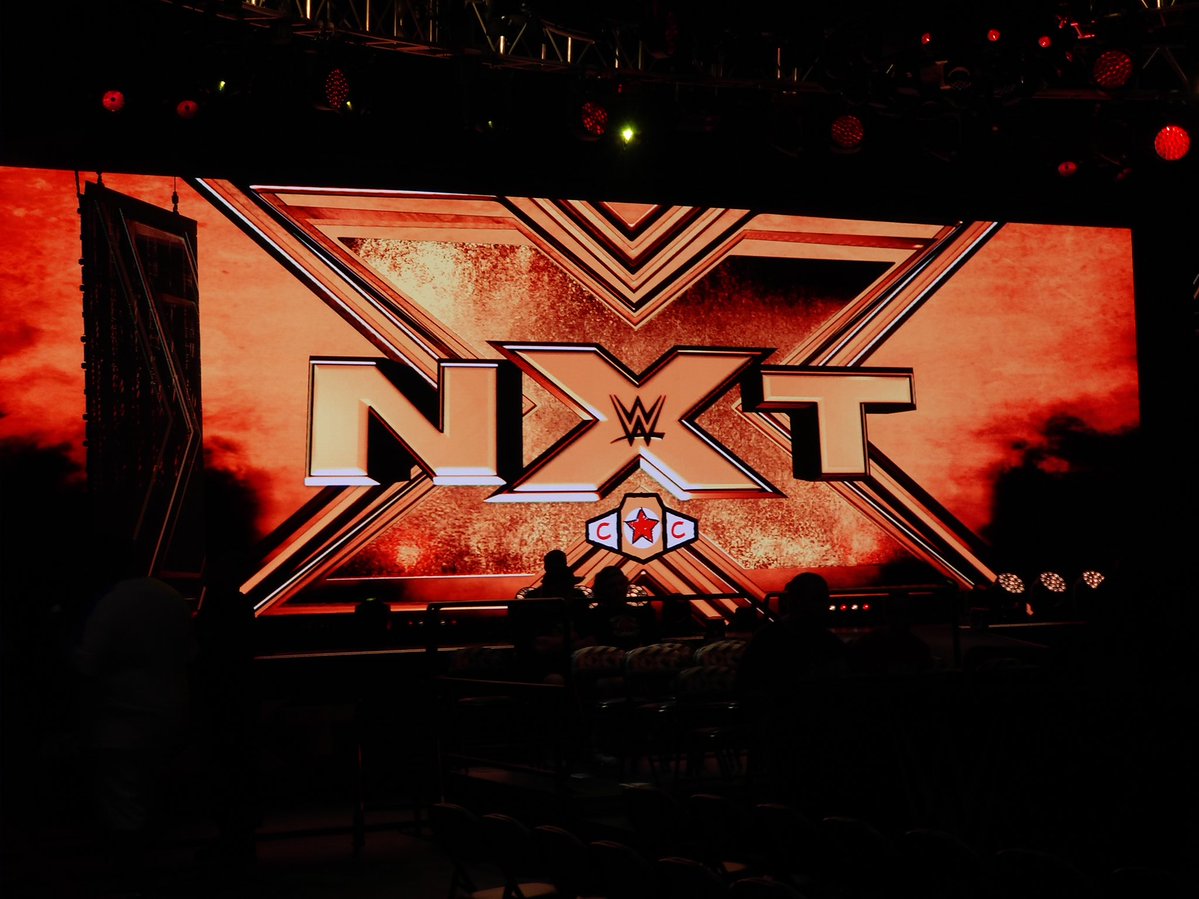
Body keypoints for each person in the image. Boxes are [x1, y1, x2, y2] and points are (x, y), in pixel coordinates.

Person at [75, 560, 198, 893]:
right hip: (169, 712)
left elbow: (88, 664)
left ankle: (131, 878)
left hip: (121, 722)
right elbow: (190, 654)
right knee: (152, 796)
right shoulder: (170, 597)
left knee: (124, 805)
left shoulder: (111, 603)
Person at [582, 565, 658, 650]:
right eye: (612, 586)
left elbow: (652, 640)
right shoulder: (594, 617)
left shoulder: (644, 613)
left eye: (621, 583)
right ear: (602, 589)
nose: (618, 588)